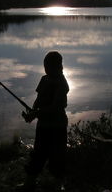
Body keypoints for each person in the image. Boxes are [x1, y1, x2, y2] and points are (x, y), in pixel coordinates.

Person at [21, 51, 69, 191]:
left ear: (59, 67)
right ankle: (29, 183)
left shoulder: (62, 83)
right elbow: (38, 99)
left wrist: (36, 113)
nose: (46, 69)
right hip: (43, 125)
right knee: (38, 154)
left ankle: (58, 183)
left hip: (57, 126)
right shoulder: (44, 79)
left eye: (49, 66)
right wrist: (32, 112)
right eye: (45, 66)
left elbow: (55, 107)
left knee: (57, 156)